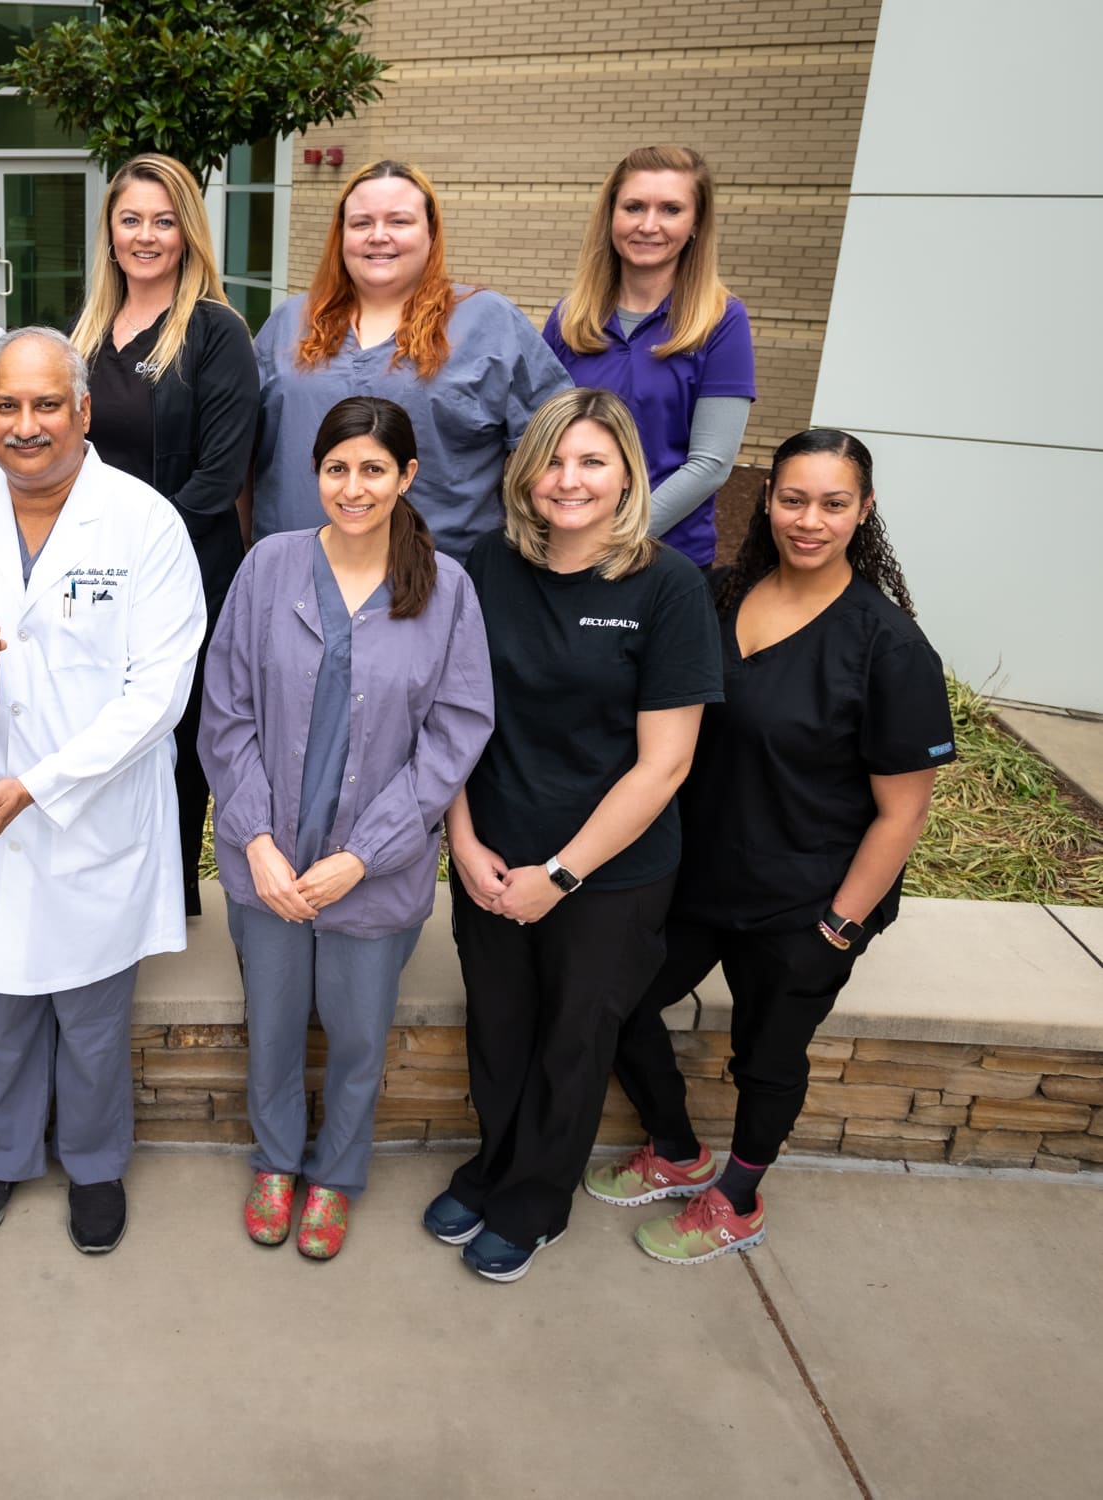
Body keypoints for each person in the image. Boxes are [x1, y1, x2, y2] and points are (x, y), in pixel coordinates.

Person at [587, 429, 953, 1263]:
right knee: (616, 1002)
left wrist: (839, 926)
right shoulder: (716, 598)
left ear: (863, 511)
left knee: (769, 1054)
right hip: (695, 876)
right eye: (793, 498)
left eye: (833, 503)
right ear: (766, 500)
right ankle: (677, 1147)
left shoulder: (888, 646)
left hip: (807, 896)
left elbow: (902, 813)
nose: (809, 520)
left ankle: (738, 1197)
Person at [0, 327, 204, 1255]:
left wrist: (39, 783)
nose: (24, 426)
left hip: (91, 811)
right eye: (5, 405)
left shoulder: (143, 519)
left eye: (44, 405)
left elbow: (159, 694)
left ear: (80, 411)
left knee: (94, 1016)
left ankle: (97, 1162)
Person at [424, 387, 722, 1283]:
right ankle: (492, 1168)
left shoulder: (666, 588)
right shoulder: (486, 568)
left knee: (572, 1039)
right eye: (554, 459)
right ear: (527, 470)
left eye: (592, 460)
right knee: (500, 1028)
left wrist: (558, 874)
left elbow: (663, 765)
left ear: (627, 471)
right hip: (492, 854)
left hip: (610, 872)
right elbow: (452, 721)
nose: (569, 479)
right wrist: (464, 843)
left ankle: (534, 1200)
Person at [200, 396, 492, 1259]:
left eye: (374, 469)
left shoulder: (447, 589)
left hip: (379, 866)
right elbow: (226, 711)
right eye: (337, 468)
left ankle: (335, 1176)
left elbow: (455, 732)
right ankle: (277, 1161)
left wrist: (363, 855)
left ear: (407, 476)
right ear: (314, 473)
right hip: (272, 861)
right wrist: (255, 839)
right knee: (276, 1024)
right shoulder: (268, 569)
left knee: (360, 1035)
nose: (353, 487)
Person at [72, 153, 260, 917]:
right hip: (88, 571)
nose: (146, 235)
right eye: (131, 220)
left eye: (163, 220)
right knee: (97, 723)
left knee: (173, 734)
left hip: (182, 571)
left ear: (188, 232)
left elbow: (221, 474)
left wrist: (136, 559)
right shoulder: (85, 332)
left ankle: (171, 891)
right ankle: (104, 880)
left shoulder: (216, 332)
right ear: (110, 232)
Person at [252, 159, 570, 556]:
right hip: (294, 576)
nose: (378, 236)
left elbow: (555, 448)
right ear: (341, 235)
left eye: (399, 222)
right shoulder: (289, 323)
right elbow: (242, 452)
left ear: (431, 233)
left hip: (435, 580)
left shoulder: (488, 321)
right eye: (361, 223)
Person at [544, 146, 757, 567]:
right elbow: (540, 441)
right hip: (565, 551)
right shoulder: (570, 319)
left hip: (666, 557)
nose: (648, 225)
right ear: (610, 217)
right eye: (634, 207)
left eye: (671, 209)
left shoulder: (722, 320)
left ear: (696, 223)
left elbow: (710, 463)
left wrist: (614, 539)